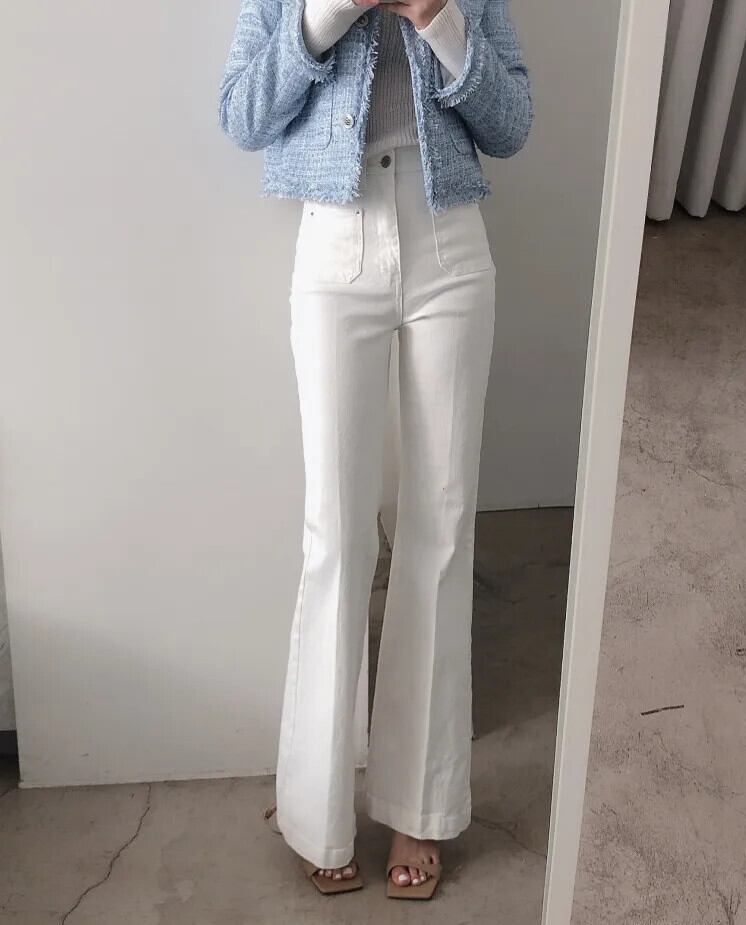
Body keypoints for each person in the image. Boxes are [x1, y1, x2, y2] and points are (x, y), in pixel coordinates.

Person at [219, 0, 532, 900]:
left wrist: (437, 18)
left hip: (450, 247)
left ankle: (419, 808)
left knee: (440, 530)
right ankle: (315, 807)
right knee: (336, 537)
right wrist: (328, 14)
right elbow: (241, 113)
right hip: (334, 240)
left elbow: (511, 124)